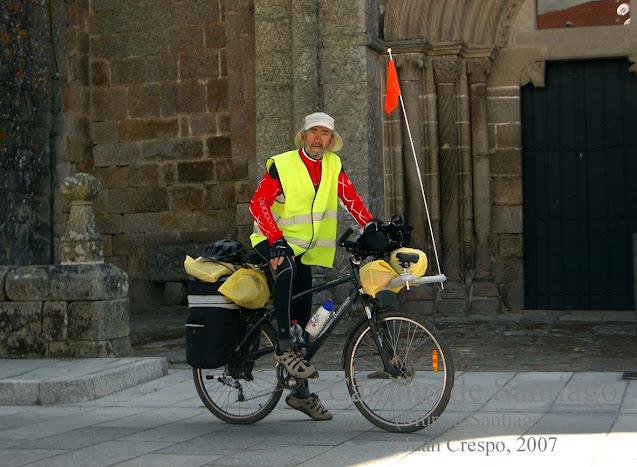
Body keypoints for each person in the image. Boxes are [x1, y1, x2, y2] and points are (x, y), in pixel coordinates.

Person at [249, 112, 376, 421]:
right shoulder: (284, 164)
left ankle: (300, 394)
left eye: (325, 134)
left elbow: (350, 198)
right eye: (314, 132)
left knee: (305, 323)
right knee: (287, 269)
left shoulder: (332, 165)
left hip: (302, 250)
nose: (319, 138)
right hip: (271, 239)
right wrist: (275, 239)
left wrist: (373, 226)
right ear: (304, 136)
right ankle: (281, 344)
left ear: (331, 140)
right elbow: (258, 203)